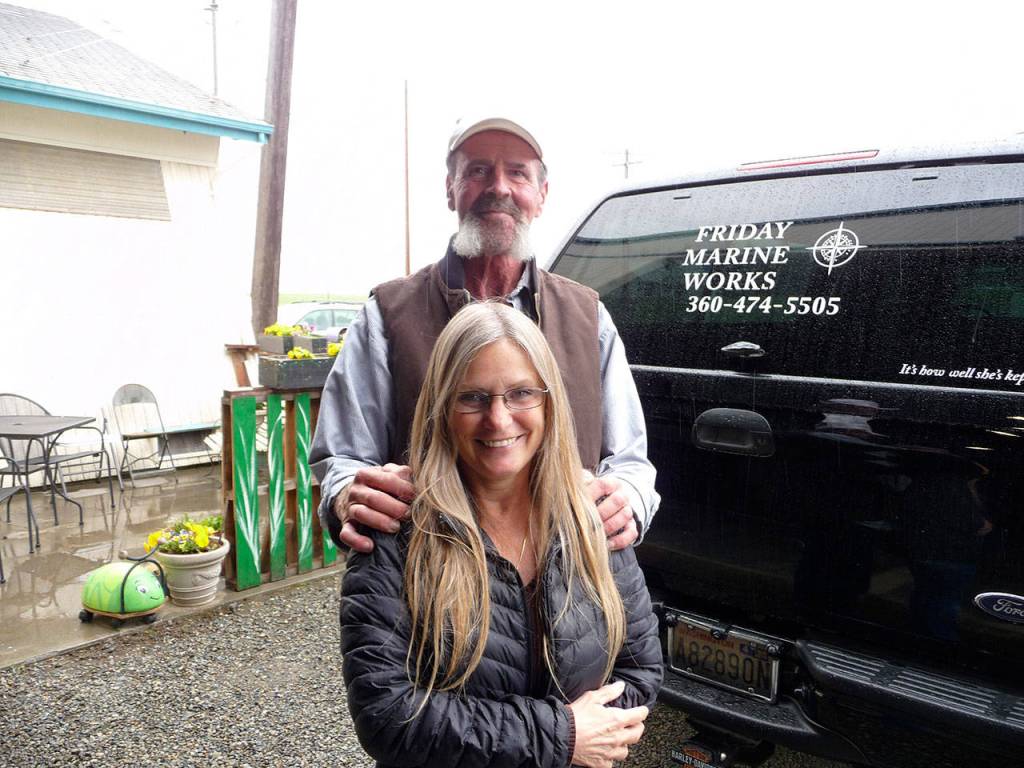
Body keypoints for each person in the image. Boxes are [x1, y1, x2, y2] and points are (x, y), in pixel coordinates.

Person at [311, 115, 659, 553]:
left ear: (542, 194)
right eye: (478, 170)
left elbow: (630, 462)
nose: (499, 187)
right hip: (431, 581)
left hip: (567, 582)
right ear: (450, 188)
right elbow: (343, 459)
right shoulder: (387, 315)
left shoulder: (589, 317)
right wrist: (348, 494)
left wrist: (630, 500)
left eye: (518, 172)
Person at [341, 301, 662, 768]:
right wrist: (561, 736)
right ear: (441, 407)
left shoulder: (592, 516)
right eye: (472, 397)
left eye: (521, 393)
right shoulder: (396, 528)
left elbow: (640, 670)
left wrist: (595, 731)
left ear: (549, 402)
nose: (498, 419)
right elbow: (387, 715)